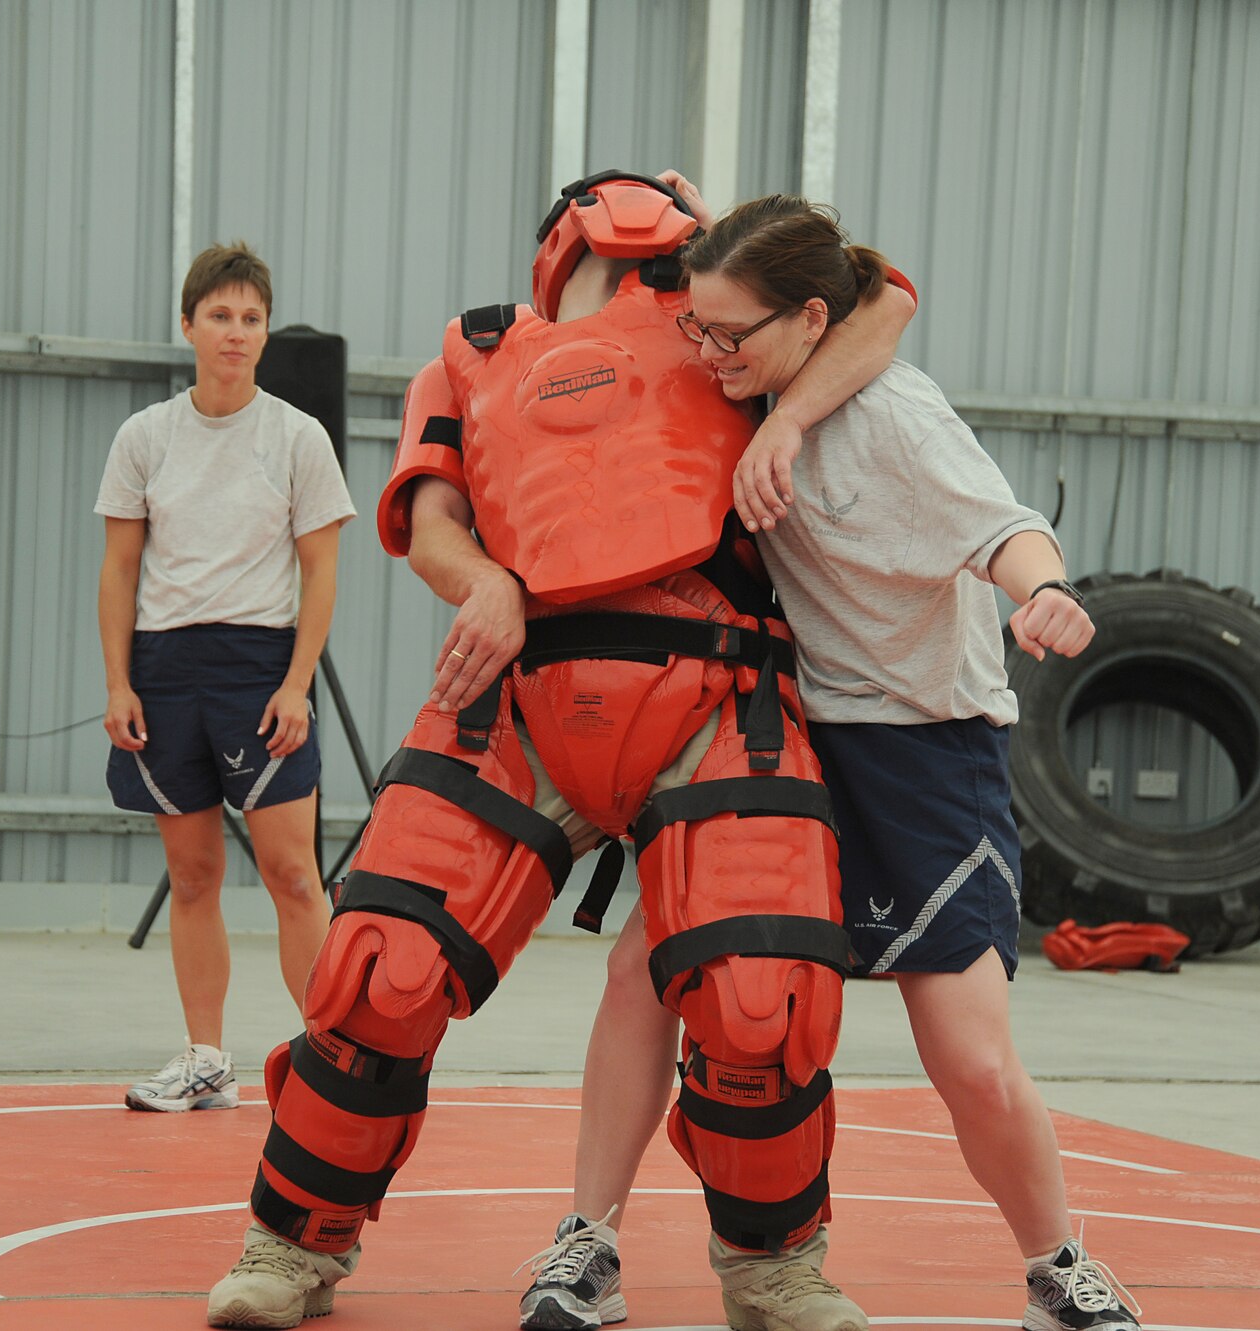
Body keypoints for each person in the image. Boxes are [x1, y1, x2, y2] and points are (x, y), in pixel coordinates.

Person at [204, 172, 915, 1331]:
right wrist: (482, 579)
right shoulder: (472, 352)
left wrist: (781, 416)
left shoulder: (731, 336)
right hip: (515, 685)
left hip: (713, 680)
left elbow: (878, 299)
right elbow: (428, 519)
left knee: (757, 998)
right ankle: (291, 1244)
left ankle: (774, 1265)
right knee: (380, 967)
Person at [520, 195, 1144, 1331]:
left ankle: (1057, 1264)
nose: (703, 354)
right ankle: (586, 1241)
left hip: (921, 753)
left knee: (969, 1058)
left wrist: (1045, 591)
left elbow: (1004, 526)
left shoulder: (895, 417)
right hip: (779, 732)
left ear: (809, 321)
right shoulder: (730, 379)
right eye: (694, 329)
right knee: (642, 975)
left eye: (728, 334)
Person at [95, 242, 355, 1114]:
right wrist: (119, 682)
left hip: (260, 668)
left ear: (266, 330)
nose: (235, 332)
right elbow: (119, 570)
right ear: (189, 325)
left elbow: (321, 572)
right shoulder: (145, 436)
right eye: (219, 315)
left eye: (250, 318)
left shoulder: (296, 437)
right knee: (194, 874)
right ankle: (207, 1058)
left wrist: (296, 683)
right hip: (165, 670)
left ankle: (331, 1062)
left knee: (292, 874)